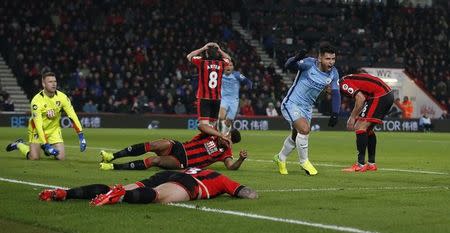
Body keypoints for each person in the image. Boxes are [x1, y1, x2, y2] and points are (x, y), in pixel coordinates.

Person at [273, 44, 341, 175]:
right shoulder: (309, 63)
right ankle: (304, 162)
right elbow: (288, 66)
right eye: (328, 58)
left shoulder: (334, 73)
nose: (331, 62)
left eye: (333, 59)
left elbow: (336, 93)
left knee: (295, 135)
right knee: (304, 130)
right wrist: (297, 57)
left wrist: (335, 113)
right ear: (320, 58)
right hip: (292, 103)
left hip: (307, 108)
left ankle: (280, 158)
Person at [39, 167, 258, 206]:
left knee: (119, 186)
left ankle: (64, 193)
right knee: (158, 196)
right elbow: (246, 193)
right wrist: (251, 193)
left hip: (171, 173)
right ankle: (121, 197)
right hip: (191, 183)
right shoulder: (221, 179)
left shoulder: (196, 167)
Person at [5, 72, 87, 160]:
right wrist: (46, 144)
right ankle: (19, 145)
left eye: (55, 81)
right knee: (34, 157)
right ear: (43, 84)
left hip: (53, 129)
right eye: (50, 82)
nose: (53, 84)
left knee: (61, 157)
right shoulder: (36, 101)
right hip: (37, 129)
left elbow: (72, 116)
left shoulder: (62, 97)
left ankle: (45, 148)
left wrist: (81, 136)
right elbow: (38, 125)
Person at [98, 129, 247, 171]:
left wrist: (240, 159)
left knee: (154, 160)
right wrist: (219, 134)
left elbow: (231, 167)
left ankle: (112, 166)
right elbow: (201, 126)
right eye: (226, 134)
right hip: (178, 146)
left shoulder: (225, 153)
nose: (225, 137)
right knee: (152, 145)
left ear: (231, 143)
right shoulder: (212, 134)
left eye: (228, 138)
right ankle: (112, 156)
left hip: (182, 161)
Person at [339, 73, 394, 172]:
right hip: (386, 94)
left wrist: (352, 117)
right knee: (367, 130)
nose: (328, 92)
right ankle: (371, 164)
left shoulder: (343, 84)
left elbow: (361, 99)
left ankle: (360, 165)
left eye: (327, 90)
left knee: (360, 127)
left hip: (379, 95)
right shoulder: (347, 79)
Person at [186, 42, 231, 142]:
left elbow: (189, 56)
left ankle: (204, 145)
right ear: (217, 53)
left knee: (204, 125)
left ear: (207, 53)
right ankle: (212, 143)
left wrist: (203, 47)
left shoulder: (202, 62)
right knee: (212, 125)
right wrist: (220, 49)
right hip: (216, 99)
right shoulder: (222, 63)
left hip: (204, 98)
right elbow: (229, 58)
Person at [218, 59, 252, 135]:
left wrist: (248, 88)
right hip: (224, 99)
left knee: (228, 121)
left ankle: (224, 135)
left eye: (230, 65)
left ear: (233, 67)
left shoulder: (237, 75)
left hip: (234, 101)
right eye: (227, 65)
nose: (228, 67)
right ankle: (218, 133)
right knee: (221, 116)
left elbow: (248, 81)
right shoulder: (219, 74)